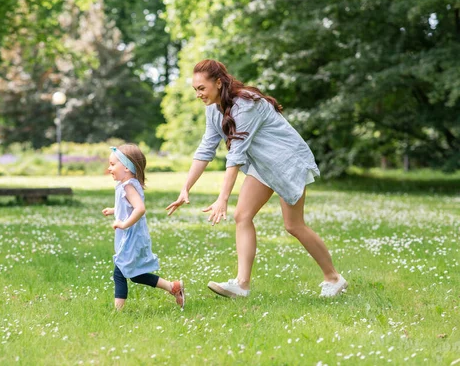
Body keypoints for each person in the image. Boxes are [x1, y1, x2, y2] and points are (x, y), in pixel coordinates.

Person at [165, 59, 347, 298]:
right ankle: (242, 284)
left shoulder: (245, 105)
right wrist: (185, 188)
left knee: (293, 225)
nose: (198, 94)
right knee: (243, 215)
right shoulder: (213, 111)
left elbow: (236, 155)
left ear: (218, 83)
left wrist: (223, 198)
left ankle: (334, 278)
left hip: (287, 161)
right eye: (195, 90)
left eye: (201, 88)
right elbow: (206, 150)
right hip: (263, 166)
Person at [103, 144, 185, 310]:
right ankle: (173, 287)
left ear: (126, 167)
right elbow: (130, 206)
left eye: (113, 164)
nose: (109, 168)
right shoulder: (125, 184)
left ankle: (117, 313)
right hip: (131, 236)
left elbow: (140, 208)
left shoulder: (128, 186)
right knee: (135, 274)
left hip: (131, 237)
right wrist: (115, 211)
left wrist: (123, 223)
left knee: (119, 272)